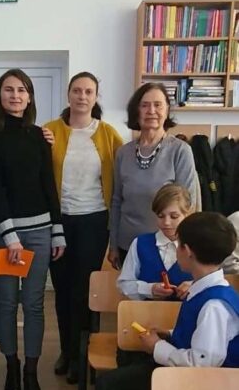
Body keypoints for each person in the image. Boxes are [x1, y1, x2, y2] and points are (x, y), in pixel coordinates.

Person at [0, 68, 66, 390]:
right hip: (3, 236)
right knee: (5, 302)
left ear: (29, 97)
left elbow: (47, 184)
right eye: (9, 89)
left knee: (33, 304)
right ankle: (11, 368)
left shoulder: (39, 135)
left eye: (22, 90)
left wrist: (58, 230)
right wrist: (10, 235)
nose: (15, 95)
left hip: (40, 232)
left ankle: (31, 371)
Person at [97, 212, 239, 390]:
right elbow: (204, 336)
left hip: (201, 381)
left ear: (187, 251)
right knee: (126, 362)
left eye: (179, 244)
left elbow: (201, 363)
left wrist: (156, 346)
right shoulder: (207, 289)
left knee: (108, 384)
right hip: (184, 369)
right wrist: (170, 333)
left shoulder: (214, 306)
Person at [43, 71, 123, 383]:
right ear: (68, 94)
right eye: (77, 90)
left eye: (89, 91)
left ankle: (83, 354)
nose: (82, 96)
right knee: (62, 289)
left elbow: (122, 178)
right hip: (59, 220)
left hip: (94, 221)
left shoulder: (108, 134)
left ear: (96, 96)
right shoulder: (49, 131)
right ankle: (66, 350)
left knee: (85, 291)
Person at [109, 82, 198, 270]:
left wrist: (187, 245)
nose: (151, 111)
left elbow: (189, 205)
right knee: (130, 288)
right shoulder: (123, 153)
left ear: (167, 110)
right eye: (145, 105)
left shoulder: (180, 151)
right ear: (136, 111)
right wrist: (113, 244)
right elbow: (116, 202)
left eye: (158, 105)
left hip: (167, 247)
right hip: (128, 244)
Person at [117, 184, 193, 301]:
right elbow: (124, 284)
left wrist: (194, 286)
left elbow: (215, 281)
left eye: (174, 216)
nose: (166, 222)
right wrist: (150, 289)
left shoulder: (199, 245)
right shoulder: (140, 243)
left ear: (187, 214)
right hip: (147, 310)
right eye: (160, 216)